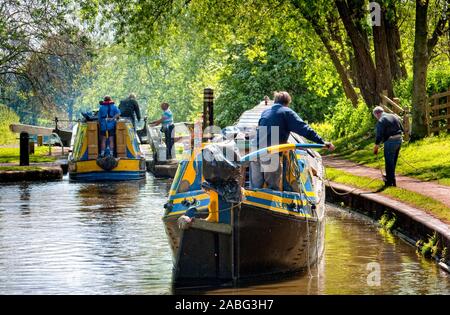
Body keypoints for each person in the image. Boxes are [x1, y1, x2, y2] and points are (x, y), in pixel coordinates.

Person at [250, 91, 335, 190]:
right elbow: (305, 130)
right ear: (287, 103)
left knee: (255, 188)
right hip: (270, 151)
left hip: (255, 150)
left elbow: (266, 132)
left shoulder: (266, 112)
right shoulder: (287, 112)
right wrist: (322, 142)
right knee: (272, 189)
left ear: (275, 101)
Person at [373, 106, 404, 187]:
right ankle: (392, 181)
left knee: (389, 162)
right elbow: (402, 128)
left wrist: (376, 146)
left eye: (375, 116)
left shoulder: (381, 120)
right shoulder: (394, 116)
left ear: (376, 114)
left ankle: (390, 182)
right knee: (393, 162)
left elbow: (379, 135)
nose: (376, 118)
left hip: (390, 142)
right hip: (399, 140)